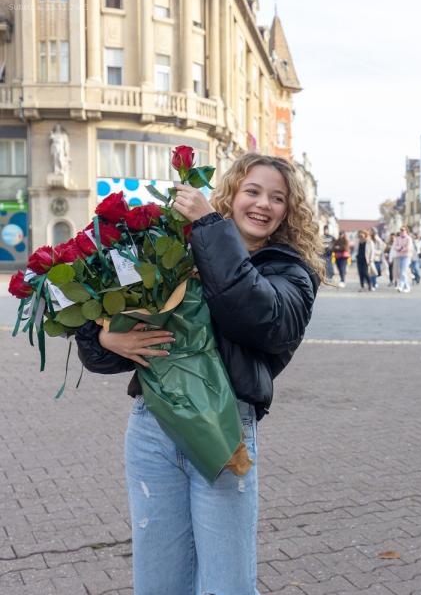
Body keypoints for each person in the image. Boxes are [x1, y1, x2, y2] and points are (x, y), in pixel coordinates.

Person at [75, 153, 322, 594]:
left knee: (226, 583)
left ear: (289, 211)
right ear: (232, 194)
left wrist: (210, 228)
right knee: (158, 580)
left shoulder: (291, 272)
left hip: (223, 431)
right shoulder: (178, 254)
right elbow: (125, 329)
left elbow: (255, 314)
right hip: (153, 427)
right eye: (252, 191)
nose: (263, 204)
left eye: (277, 197)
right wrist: (104, 341)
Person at [392, 226, 412, 293]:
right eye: (401, 230)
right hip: (399, 256)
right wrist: (400, 248)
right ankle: (407, 287)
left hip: (406, 257)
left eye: (403, 230)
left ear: (406, 231)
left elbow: (408, 248)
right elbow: (395, 246)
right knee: (401, 272)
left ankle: (401, 286)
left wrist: (401, 249)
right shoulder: (397, 238)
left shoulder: (408, 238)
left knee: (403, 272)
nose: (402, 231)